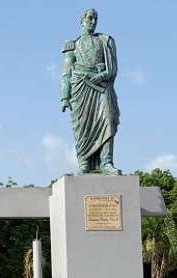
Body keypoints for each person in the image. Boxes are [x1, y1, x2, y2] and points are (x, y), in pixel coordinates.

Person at [60, 9, 121, 175]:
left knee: (108, 119)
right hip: (81, 87)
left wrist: (101, 75)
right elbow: (66, 72)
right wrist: (65, 96)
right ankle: (84, 162)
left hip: (102, 86)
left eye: (95, 19)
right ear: (82, 20)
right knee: (82, 126)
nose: (93, 21)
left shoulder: (105, 40)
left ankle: (106, 162)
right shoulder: (71, 45)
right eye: (90, 18)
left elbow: (113, 69)